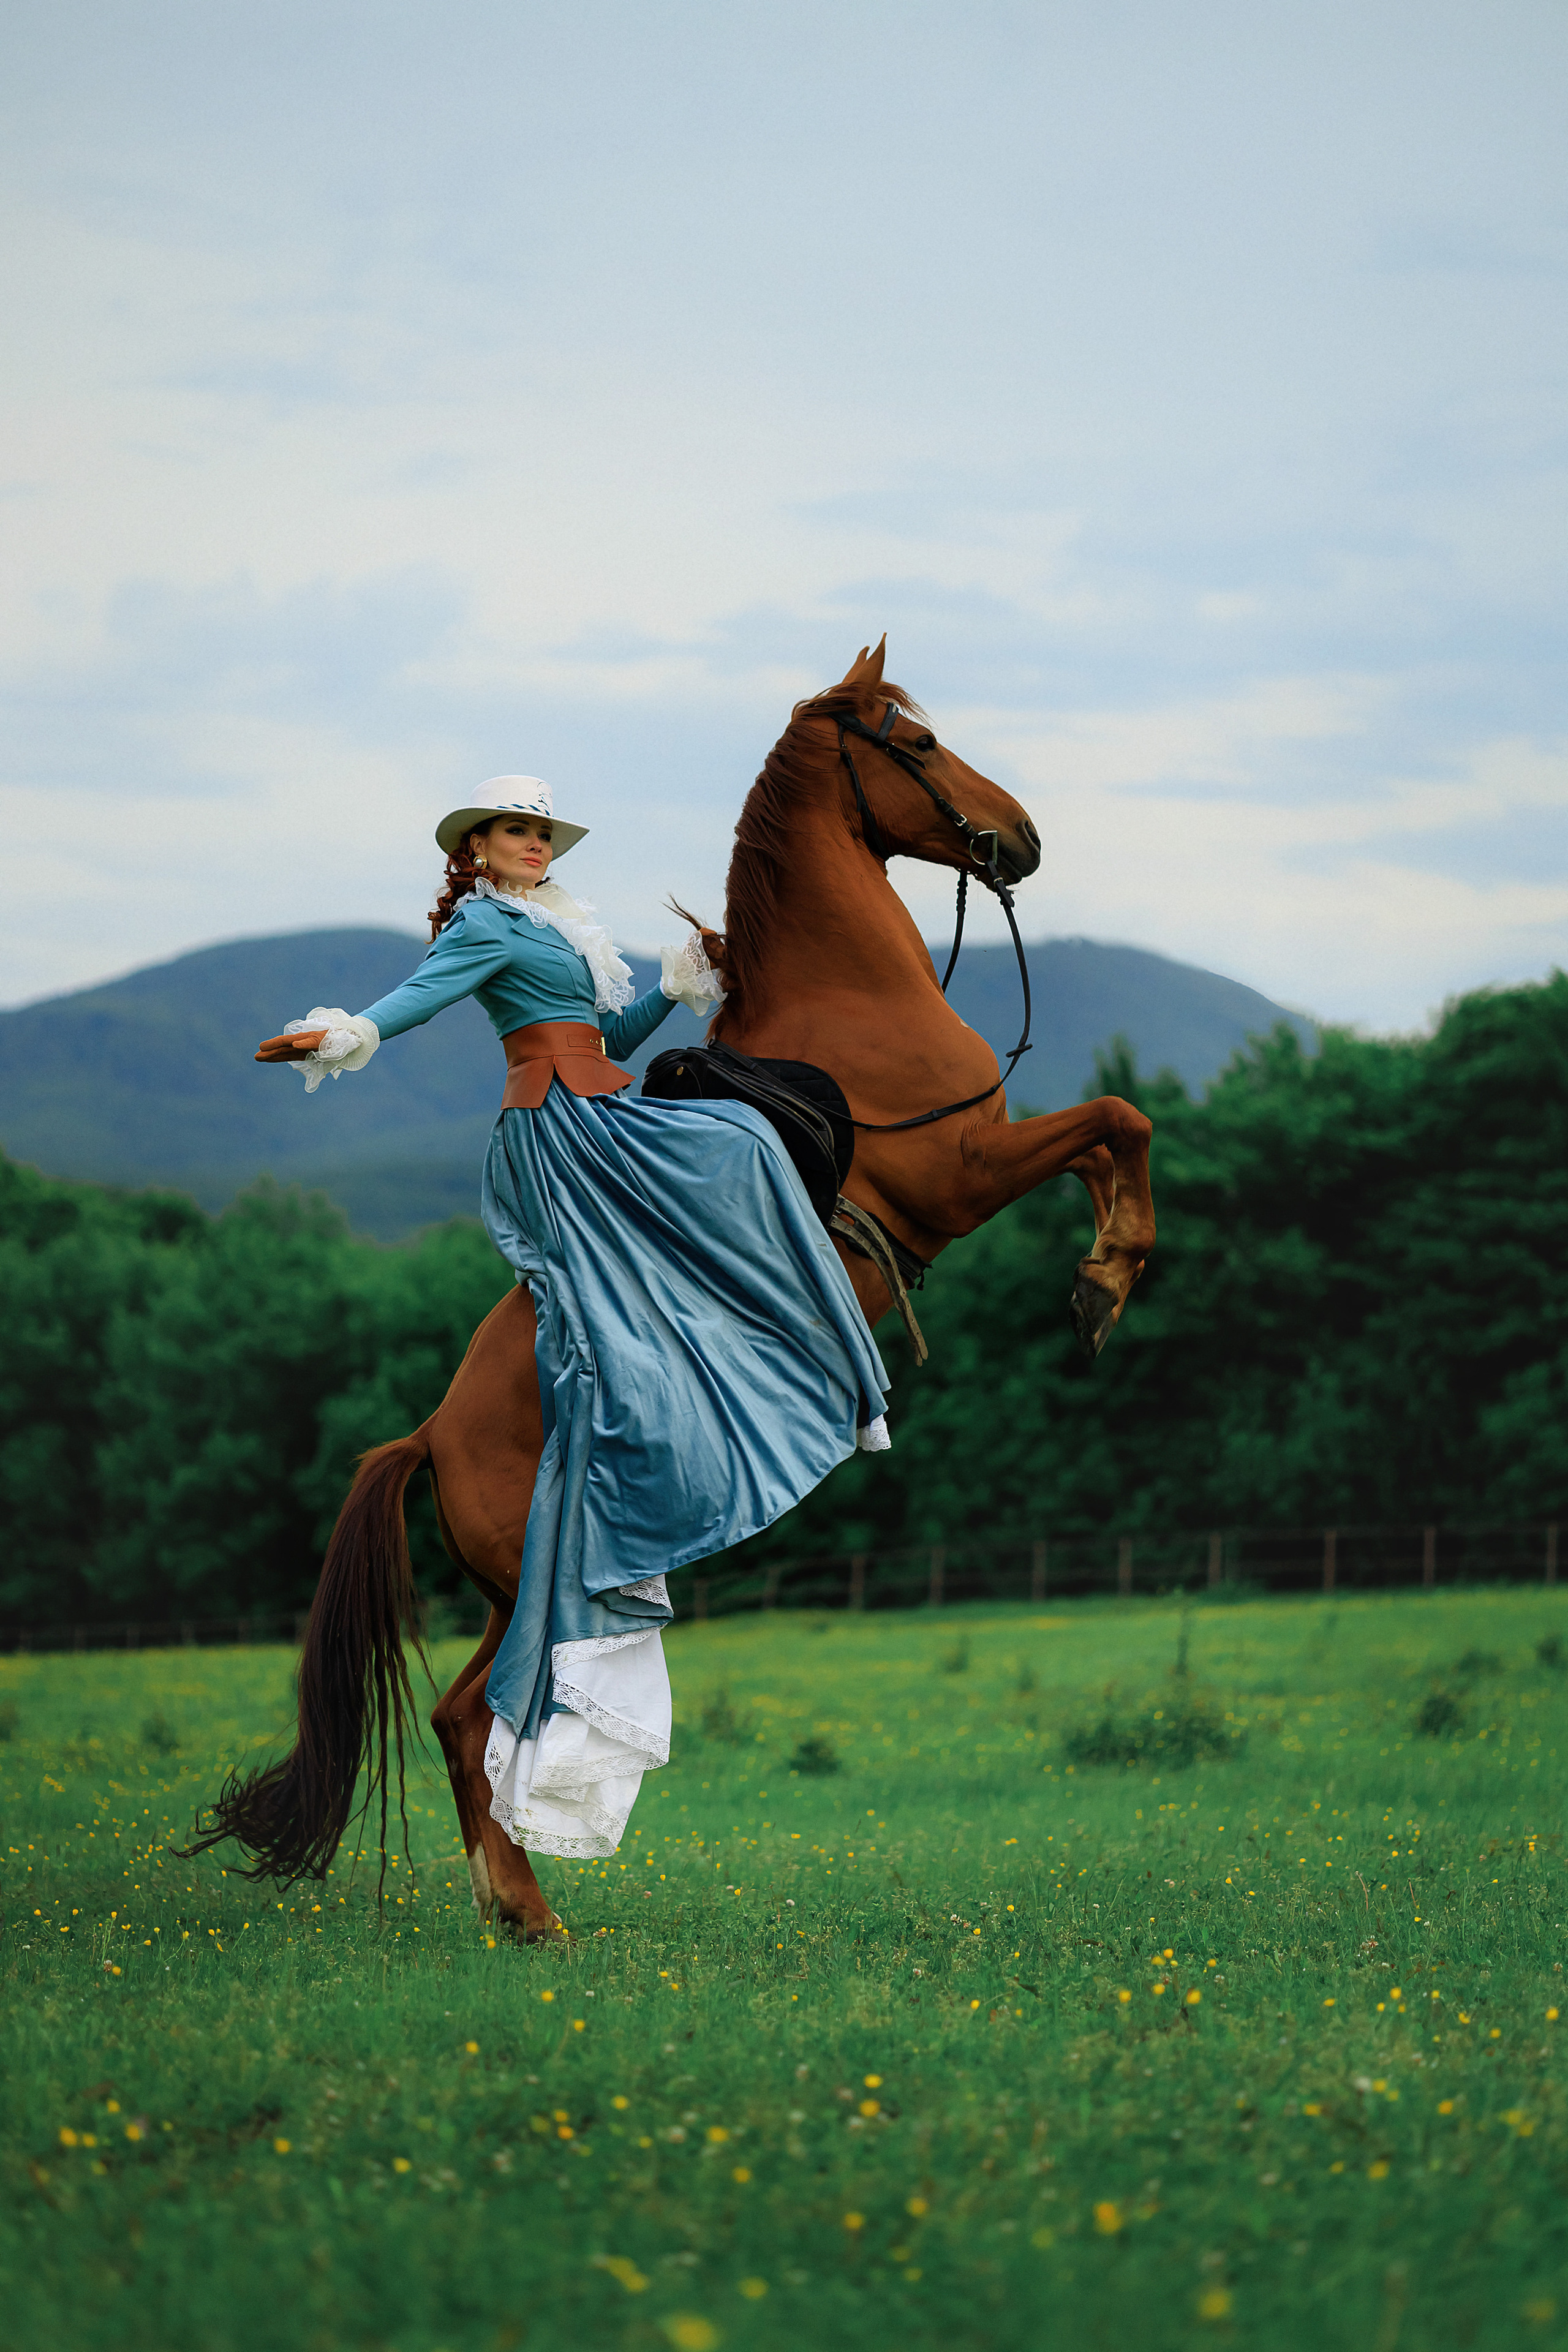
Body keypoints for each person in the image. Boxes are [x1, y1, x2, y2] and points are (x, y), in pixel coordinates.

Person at [260, 777, 890, 1861]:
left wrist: (683, 990)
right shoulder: (487, 924)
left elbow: (613, 1030)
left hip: (607, 1099)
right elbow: (422, 996)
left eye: (543, 831)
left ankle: (782, 1341)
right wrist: (349, 1032)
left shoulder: (563, 925)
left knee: (740, 1138)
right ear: (480, 849)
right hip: (558, 1128)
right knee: (730, 1153)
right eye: (516, 830)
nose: (534, 845)